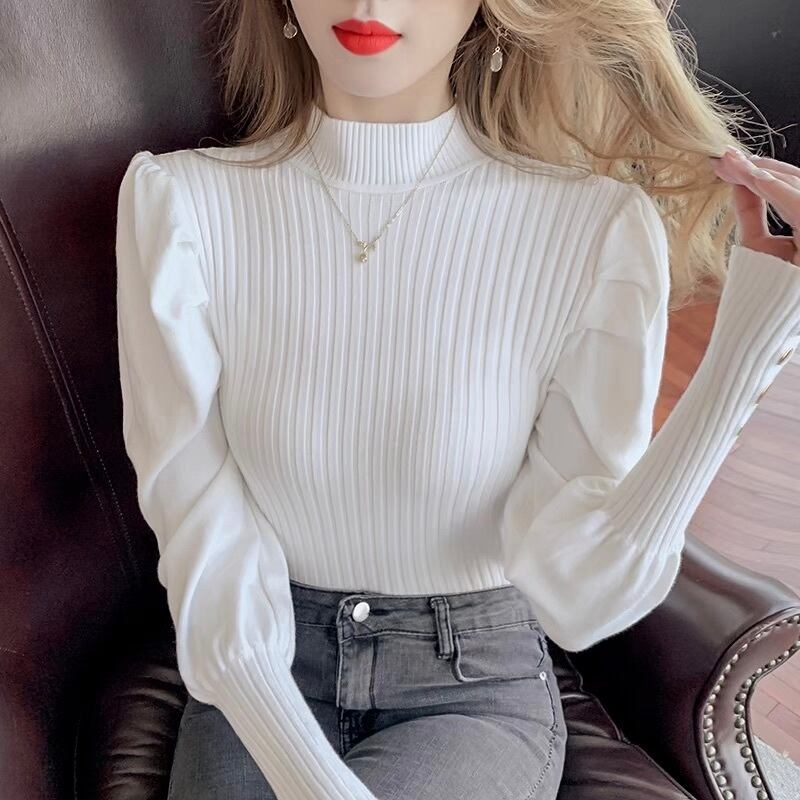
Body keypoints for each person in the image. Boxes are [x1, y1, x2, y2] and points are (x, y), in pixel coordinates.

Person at [114, 1, 800, 798]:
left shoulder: (593, 230)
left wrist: (749, 344)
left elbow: (578, 597)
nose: (369, 2)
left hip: (471, 689)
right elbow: (199, 519)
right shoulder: (180, 206)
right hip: (260, 685)